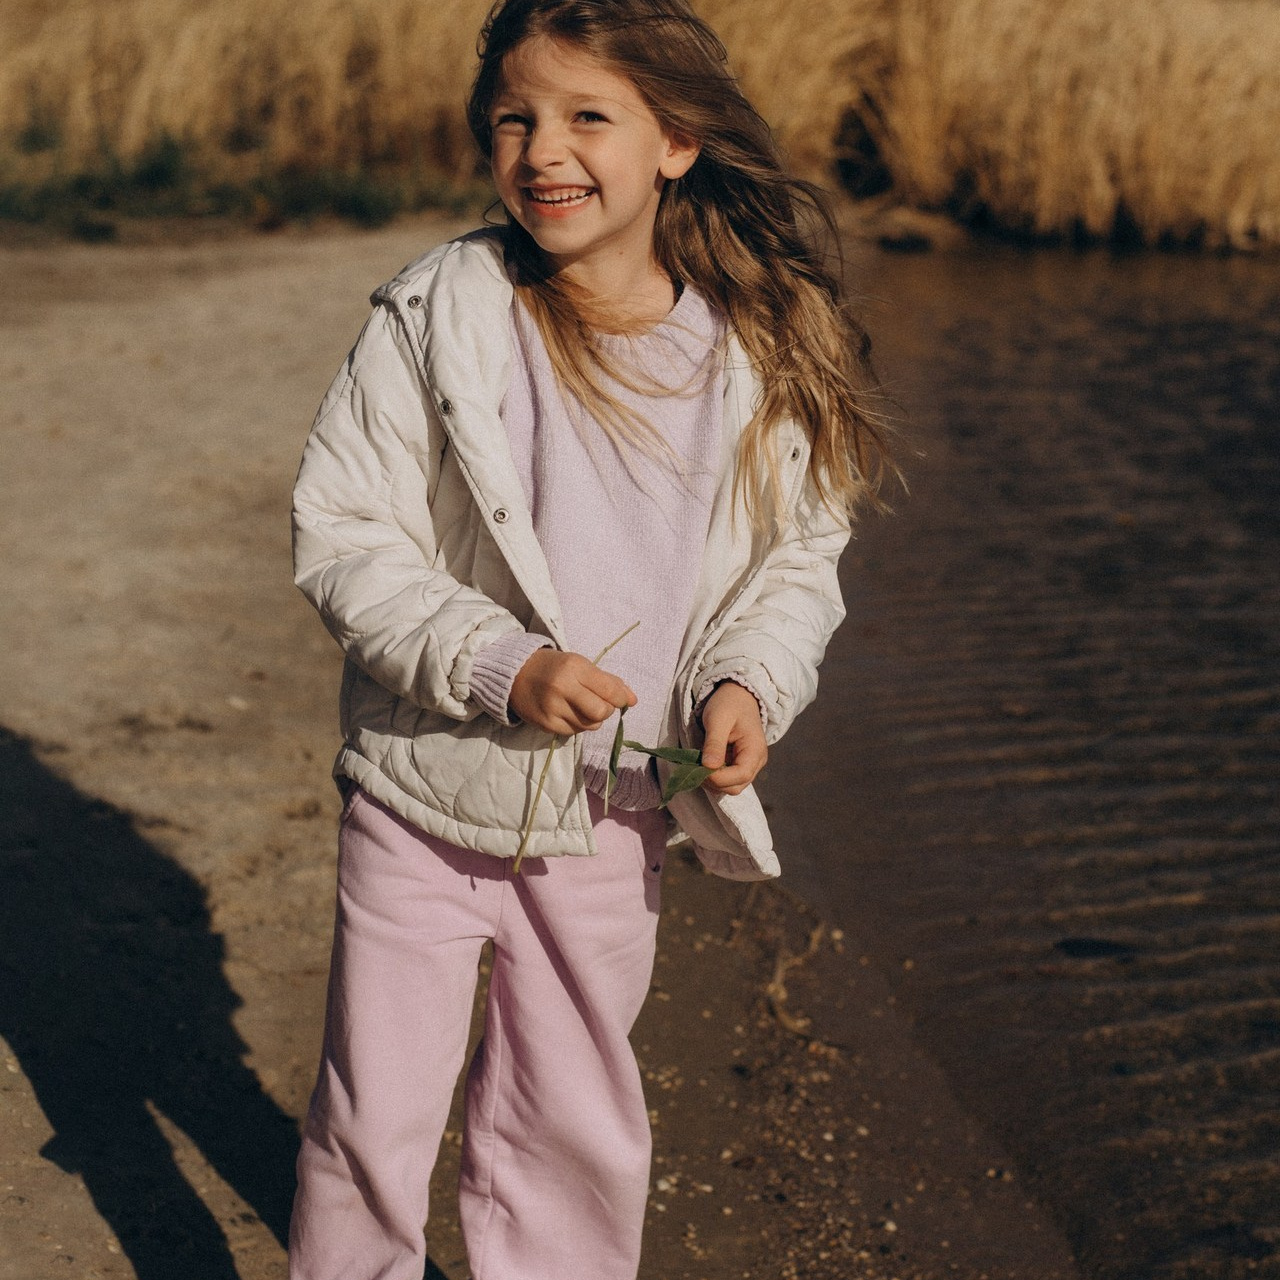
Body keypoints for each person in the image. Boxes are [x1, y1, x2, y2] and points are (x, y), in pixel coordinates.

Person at [287, 1, 892, 1277]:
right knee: (373, 1120)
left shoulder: (758, 343)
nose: (542, 149)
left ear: (675, 141)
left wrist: (745, 680)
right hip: (423, 793)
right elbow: (348, 531)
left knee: (571, 1121)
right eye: (513, 117)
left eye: (585, 116)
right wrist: (499, 662)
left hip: (616, 816)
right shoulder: (440, 311)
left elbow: (796, 559)